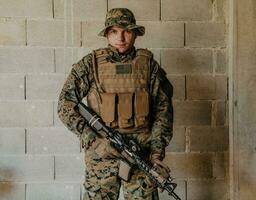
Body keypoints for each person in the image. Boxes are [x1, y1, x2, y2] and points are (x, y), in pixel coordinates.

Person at [58, 8, 173, 200]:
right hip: (102, 156)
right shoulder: (90, 64)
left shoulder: (149, 66)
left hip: (141, 156)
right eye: (114, 31)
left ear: (135, 33)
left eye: (127, 30)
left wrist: (156, 153)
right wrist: (93, 139)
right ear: (106, 34)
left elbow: (164, 112)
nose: (121, 37)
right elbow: (65, 104)